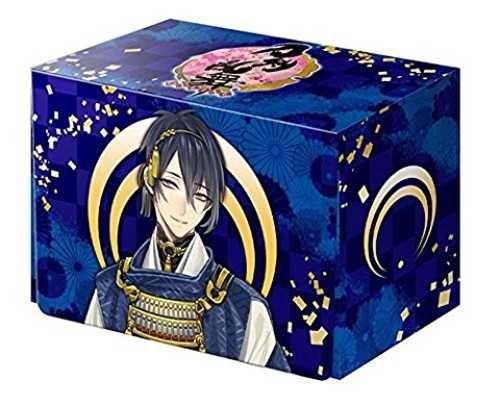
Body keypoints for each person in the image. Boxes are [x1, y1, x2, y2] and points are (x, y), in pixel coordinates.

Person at [85, 110, 289, 371]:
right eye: (172, 184)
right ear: (150, 179)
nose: (184, 207)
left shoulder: (244, 307)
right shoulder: (109, 290)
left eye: (200, 194)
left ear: (211, 203)